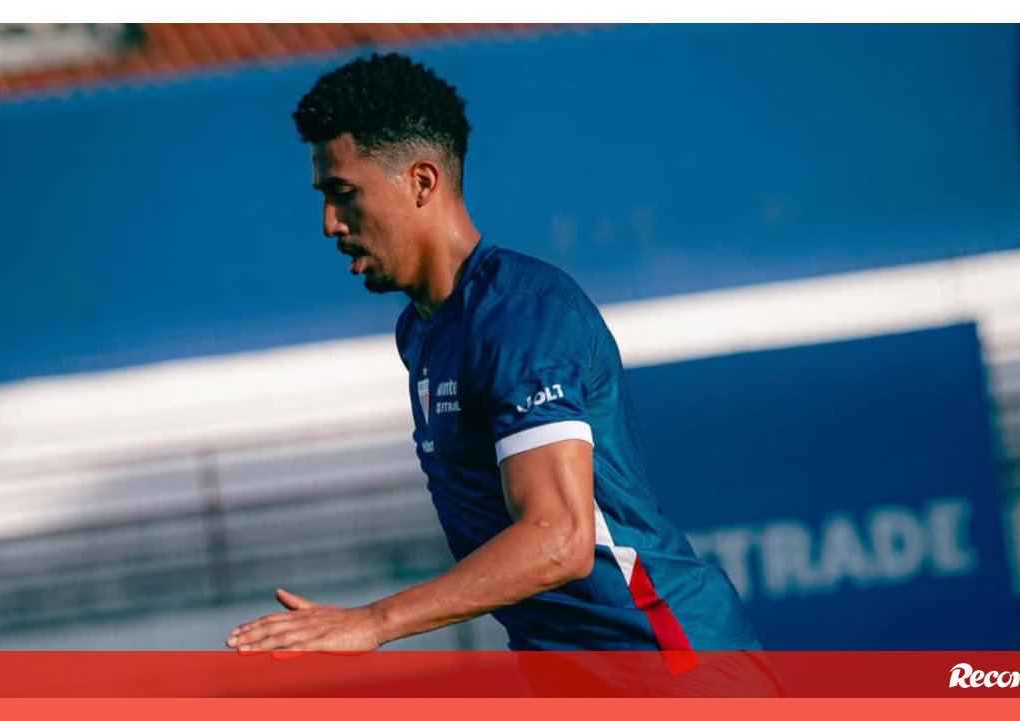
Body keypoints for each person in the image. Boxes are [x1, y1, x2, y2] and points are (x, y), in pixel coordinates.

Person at [226, 52, 781, 697]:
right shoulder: (421, 333)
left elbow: (559, 539)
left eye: (344, 194)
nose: (330, 223)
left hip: (676, 671)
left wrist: (373, 623)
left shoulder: (519, 317)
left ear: (422, 182)